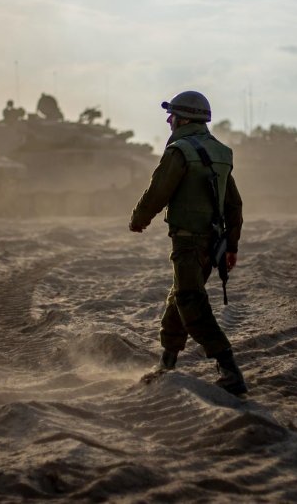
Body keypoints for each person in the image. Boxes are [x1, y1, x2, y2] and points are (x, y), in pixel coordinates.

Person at [129, 90, 247, 396]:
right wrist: (231, 245)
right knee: (179, 298)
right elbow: (233, 203)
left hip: (188, 241)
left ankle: (229, 367)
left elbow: (158, 192)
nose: (169, 120)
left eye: (172, 115)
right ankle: (167, 364)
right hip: (214, 241)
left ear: (183, 119)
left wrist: (139, 220)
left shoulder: (179, 151)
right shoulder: (221, 153)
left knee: (190, 301)